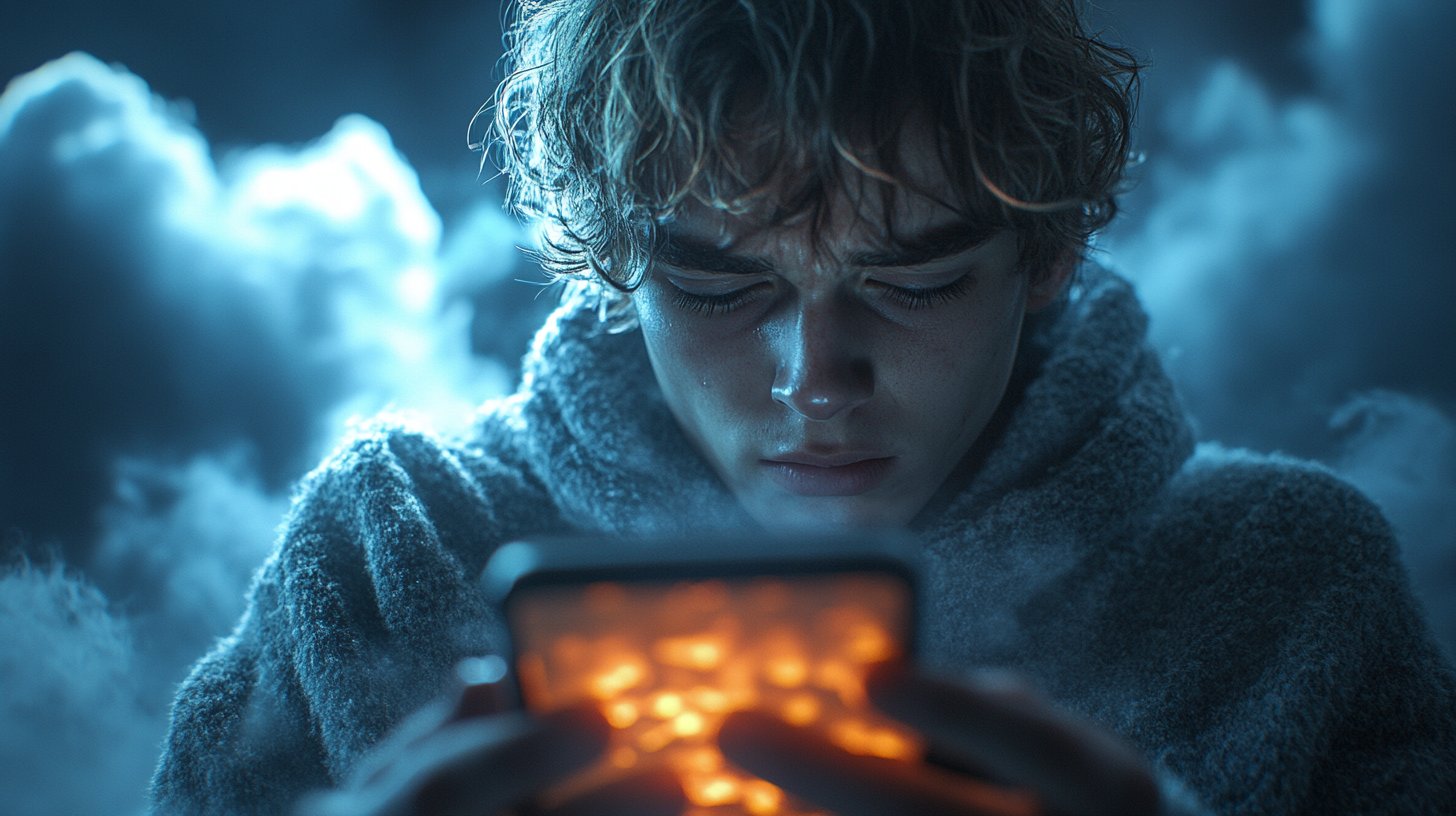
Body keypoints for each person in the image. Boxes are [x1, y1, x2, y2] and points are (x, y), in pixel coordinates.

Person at [150, 0, 1456, 814]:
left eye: (918, 281)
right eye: (718, 286)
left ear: (1046, 255)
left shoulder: (1289, 591)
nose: (815, 376)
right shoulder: (389, 550)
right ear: (615, 265)